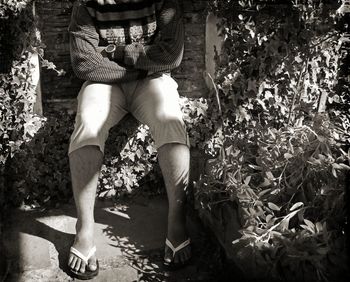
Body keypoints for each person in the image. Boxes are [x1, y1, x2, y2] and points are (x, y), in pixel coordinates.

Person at [67, 0, 191, 279]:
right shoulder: (87, 4)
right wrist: (137, 60)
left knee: (170, 120)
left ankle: (176, 222)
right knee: (88, 125)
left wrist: (113, 53)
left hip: (152, 80)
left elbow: (171, 54)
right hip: (106, 83)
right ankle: (84, 229)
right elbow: (84, 62)